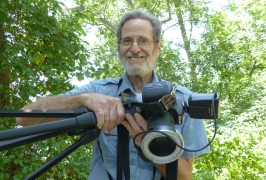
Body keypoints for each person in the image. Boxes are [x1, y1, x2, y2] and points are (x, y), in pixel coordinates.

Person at [16, 9, 210, 180]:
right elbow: (25, 117)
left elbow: (185, 177)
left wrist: (150, 145)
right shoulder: (99, 92)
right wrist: (84, 99)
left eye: (143, 40)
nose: (134, 48)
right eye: (127, 41)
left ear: (157, 48)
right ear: (119, 47)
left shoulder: (181, 100)